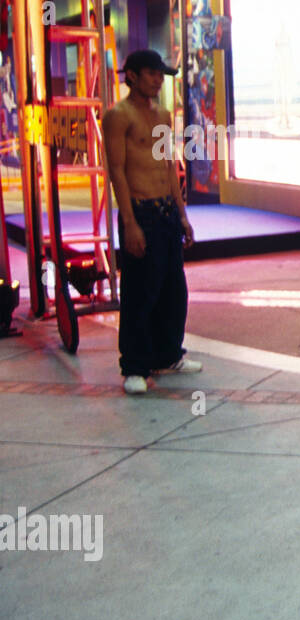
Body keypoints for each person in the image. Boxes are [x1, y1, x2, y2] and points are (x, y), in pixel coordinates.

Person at [103, 50, 201, 395]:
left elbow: (167, 166)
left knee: (174, 290)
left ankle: (168, 354)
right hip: (140, 212)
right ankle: (134, 365)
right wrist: (130, 223)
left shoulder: (161, 114)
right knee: (139, 292)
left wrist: (183, 214)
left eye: (162, 75)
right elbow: (117, 171)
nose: (159, 80)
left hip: (166, 213)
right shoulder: (117, 116)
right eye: (152, 74)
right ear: (131, 76)